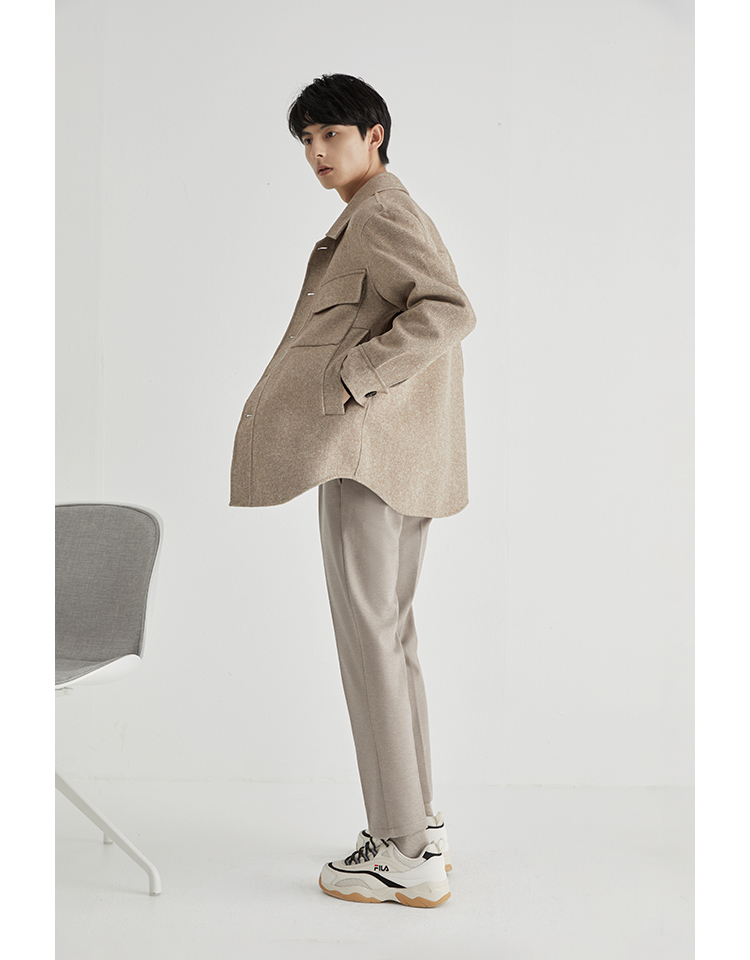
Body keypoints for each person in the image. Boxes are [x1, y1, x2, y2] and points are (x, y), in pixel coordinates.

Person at [230, 74, 476, 907]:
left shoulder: (380, 213)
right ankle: (419, 826)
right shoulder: (375, 213)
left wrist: (353, 377)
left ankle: (403, 851)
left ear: (375, 134)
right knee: (391, 639)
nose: (315, 152)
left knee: (372, 644)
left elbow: (447, 310)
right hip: (393, 458)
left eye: (330, 133)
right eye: (306, 139)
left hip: (368, 457)